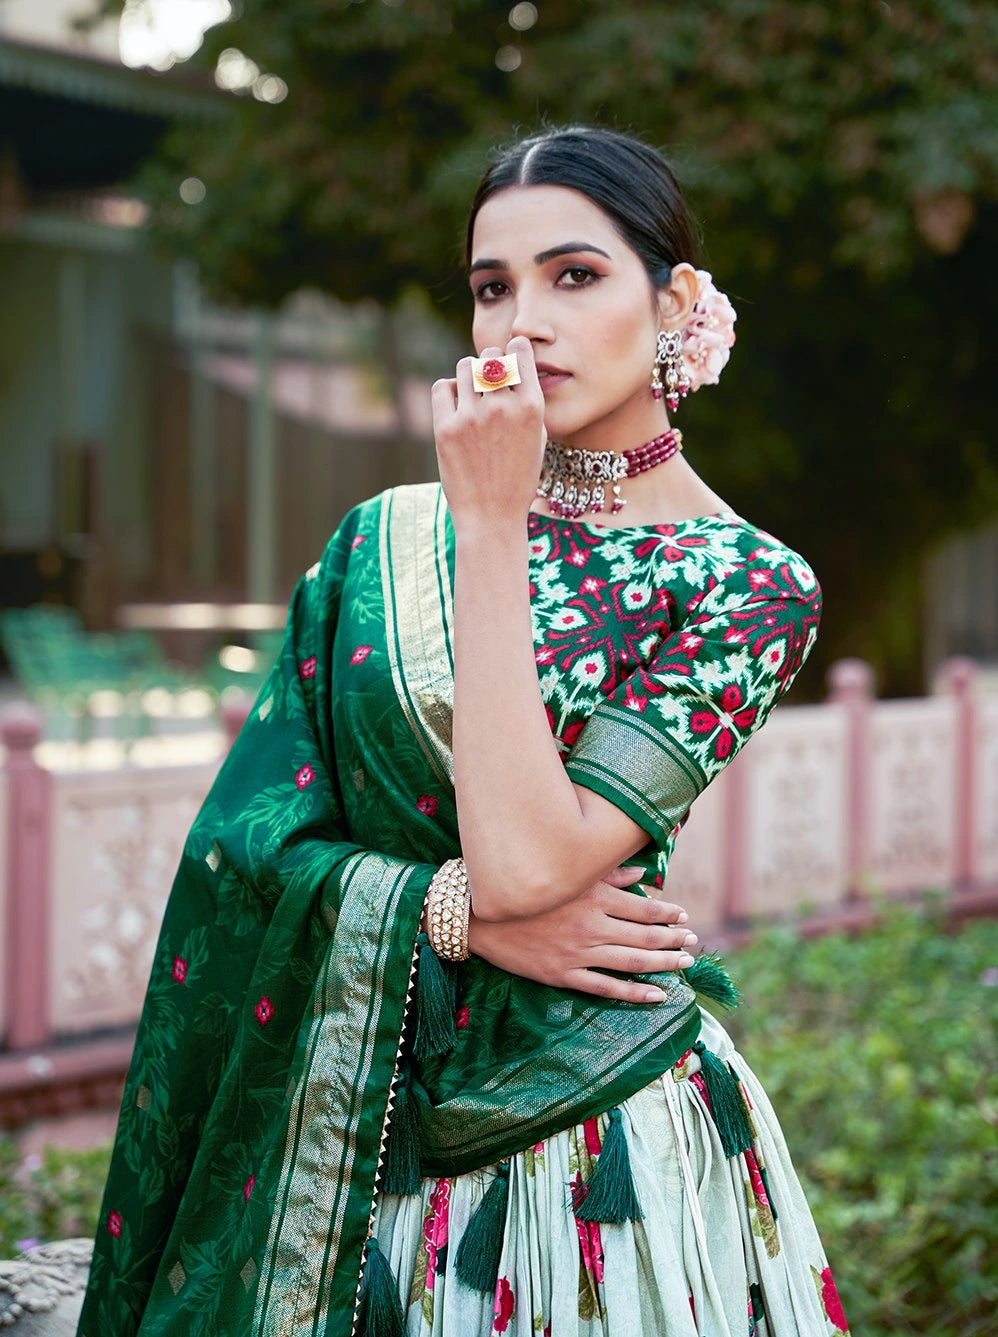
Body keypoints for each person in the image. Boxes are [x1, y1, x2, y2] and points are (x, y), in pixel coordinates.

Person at [76, 125, 848, 1337]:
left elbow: (537, 861)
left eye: (574, 275)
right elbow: (247, 846)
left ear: (674, 303)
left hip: (598, 1163)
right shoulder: (376, 545)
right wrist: (457, 913)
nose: (519, 324)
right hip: (345, 1150)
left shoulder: (743, 580)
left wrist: (490, 526)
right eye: (493, 288)